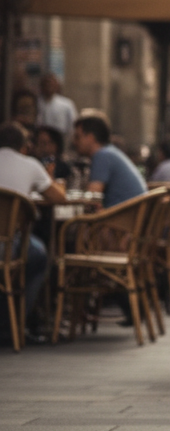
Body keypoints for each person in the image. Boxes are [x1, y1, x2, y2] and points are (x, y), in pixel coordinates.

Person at [0, 121, 64, 344]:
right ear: (25, 146)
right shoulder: (30, 165)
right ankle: (13, 325)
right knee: (38, 256)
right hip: (8, 242)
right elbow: (59, 198)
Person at [72, 112, 147, 209]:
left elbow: (91, 198)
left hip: (124, 220)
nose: (74, 142)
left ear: (90, 138)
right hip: (133, 217)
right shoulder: (109, 152)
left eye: (78, 137)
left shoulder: (102, 156)